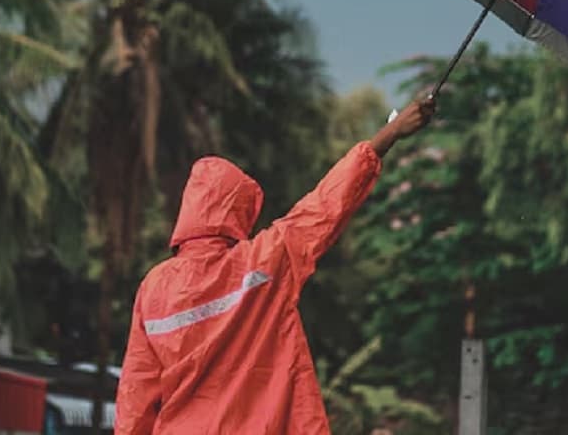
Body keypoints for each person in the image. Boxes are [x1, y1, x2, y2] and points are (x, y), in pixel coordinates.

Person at [113, 97, 437, 434]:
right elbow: (326, 205)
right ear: (238, 213)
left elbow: (136, 396)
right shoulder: (263, 264)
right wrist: (391, 132)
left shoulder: (153, 288)